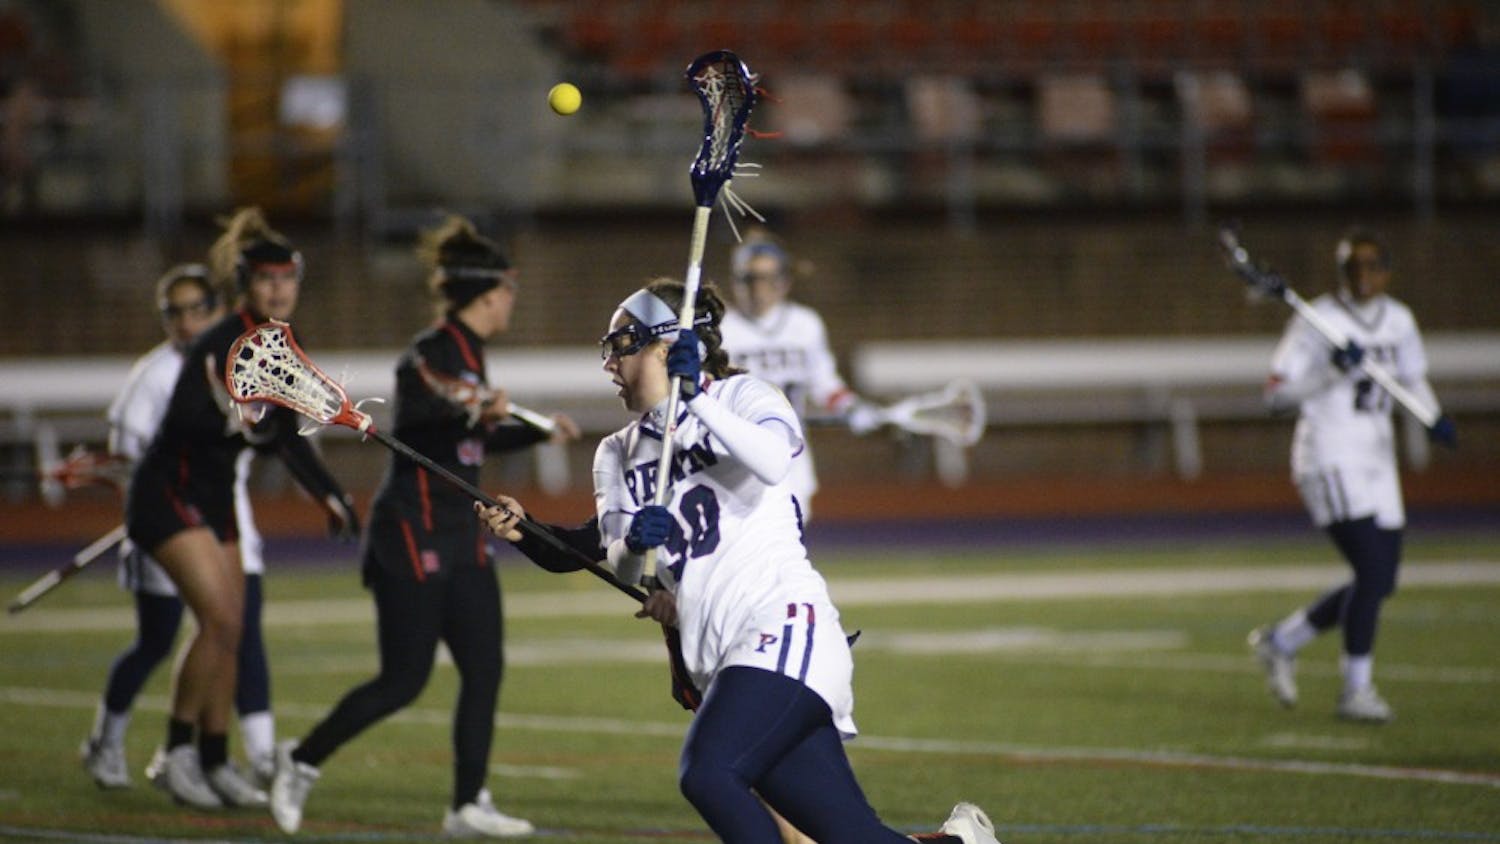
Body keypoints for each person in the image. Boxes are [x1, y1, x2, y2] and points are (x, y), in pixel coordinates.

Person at [475, 277, 999, 844]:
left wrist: (695, 400)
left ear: (664, 345)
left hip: (782, 625)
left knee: (708, 772)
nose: (608, 363)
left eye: (621, 344)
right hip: (716, 655)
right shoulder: (616, 452)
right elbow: (620, 563)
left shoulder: (745, 398)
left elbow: (774, 461)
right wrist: (636, 546)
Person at [269, 215, 580, 838]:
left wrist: (536, 428)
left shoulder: (470, 354)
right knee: (403, 680)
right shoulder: (429, 352)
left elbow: (472, 437)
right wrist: (471, 410)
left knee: (485, 667)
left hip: (463, 529)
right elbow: (419, 423)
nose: (511, 302)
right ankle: (300, 762)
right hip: (410, 529)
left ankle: (467, 806)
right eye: (507, 292)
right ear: (487, 295)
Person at [124, 208, 360, 809]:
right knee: (220, 623)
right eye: (266, 280)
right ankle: (175, 755)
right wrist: (235, 421)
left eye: (288, 279)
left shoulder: (284, 342)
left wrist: (328, 493)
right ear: (246, 284)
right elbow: (186, 425)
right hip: (169, 493)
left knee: (234, 628)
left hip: (215, 497)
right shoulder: (220, 340)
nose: (279, 290)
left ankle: (213, 756)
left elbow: (281, 434)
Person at [1249, 228, 1457, 723]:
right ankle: (1356, 689)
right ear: (1340, 272)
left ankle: (1283, 641)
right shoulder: (1316, 322)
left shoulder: (1399, 320)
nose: (1362, 276)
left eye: (1371, 266)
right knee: (1371, 572)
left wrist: (1432, 416)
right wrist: (1331, 373)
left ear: (1387, 271)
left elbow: (1411, 379)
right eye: (1351, 267)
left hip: (1377, 458)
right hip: (1329, 454)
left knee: (1380, 581)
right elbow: (1275, 395)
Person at [82, 264, 277, 790]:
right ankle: (110, 740)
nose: (186, 321)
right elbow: (130, 456)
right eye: (174, 312)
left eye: (197, 308)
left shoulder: (240, 358)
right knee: (159, 639)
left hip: (226, 518)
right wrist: (110, 474)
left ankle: (233, 757)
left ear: (217, 309)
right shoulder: (153, 375)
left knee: (236, 631)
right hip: (171, 517)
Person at [717, 232, 882, 519]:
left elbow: (823, 380)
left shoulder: (805, 324)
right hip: (736, 451)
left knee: (790, 537)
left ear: (784, 281)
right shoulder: (721, 329)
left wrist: (850, 407)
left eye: (766, 278)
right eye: (750, 278)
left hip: (791, 449)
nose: (758, 288)